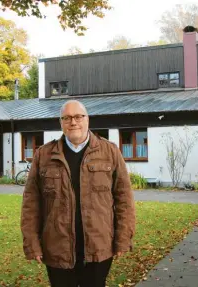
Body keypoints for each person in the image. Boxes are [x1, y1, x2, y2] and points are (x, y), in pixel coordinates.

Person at [20, 100, 136, 287]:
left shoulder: (110, 152)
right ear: (61, 122)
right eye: (67, 118)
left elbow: (124, 200)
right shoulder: (43, 155)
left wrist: (123, 239)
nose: (73, 122)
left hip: (99, 247)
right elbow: (31, 204)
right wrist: (32, 244)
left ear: (87, 119)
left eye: (78, 117)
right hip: (57, 248)